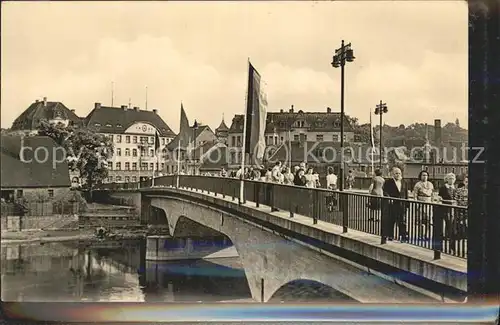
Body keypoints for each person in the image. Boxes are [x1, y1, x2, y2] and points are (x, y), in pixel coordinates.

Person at [382, 167, 409, 242]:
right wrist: (389, 198)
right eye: (396, 173)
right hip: (392, 204)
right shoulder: (388, 182)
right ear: (393, 174)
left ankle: (403, 237)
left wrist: (407, 203)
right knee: (391, 220)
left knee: (402, 221)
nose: (398, 175)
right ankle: (390, 236)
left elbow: (406, 194)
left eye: (399, 173)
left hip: (401, 205)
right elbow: (385, 192)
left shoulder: (404, 182)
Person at [412, 170, 434, 240]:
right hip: (420, 203)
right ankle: (420, 235)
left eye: (426, 175)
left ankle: (426, 235)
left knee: (428, 221)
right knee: (420, 220)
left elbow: (432, 194)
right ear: (420, 176)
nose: (425, 177)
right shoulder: (418, 184)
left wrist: (432, 202)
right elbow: (415, 194)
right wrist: (416, 203)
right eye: (423, 175)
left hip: (429, 203)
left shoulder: (430, 184)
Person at [451, 174, 468, 253]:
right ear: (464, 182)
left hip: (469, 213)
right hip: (460, 212)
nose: (468, 183)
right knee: (456, 230)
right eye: (466, 182)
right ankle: (453, 247)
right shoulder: (459, 190)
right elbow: (455, 200)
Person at [438, 173, 456, 239]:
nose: (451, 180)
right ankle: (444, 235)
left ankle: (449, 234)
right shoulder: (443, 187)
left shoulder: (454, 188)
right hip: (445, 206)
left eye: (453, 179)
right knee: (446, 220)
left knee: (451, 220)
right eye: (450, 179)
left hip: (453, 206)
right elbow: (439, 197)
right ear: (447, 179)